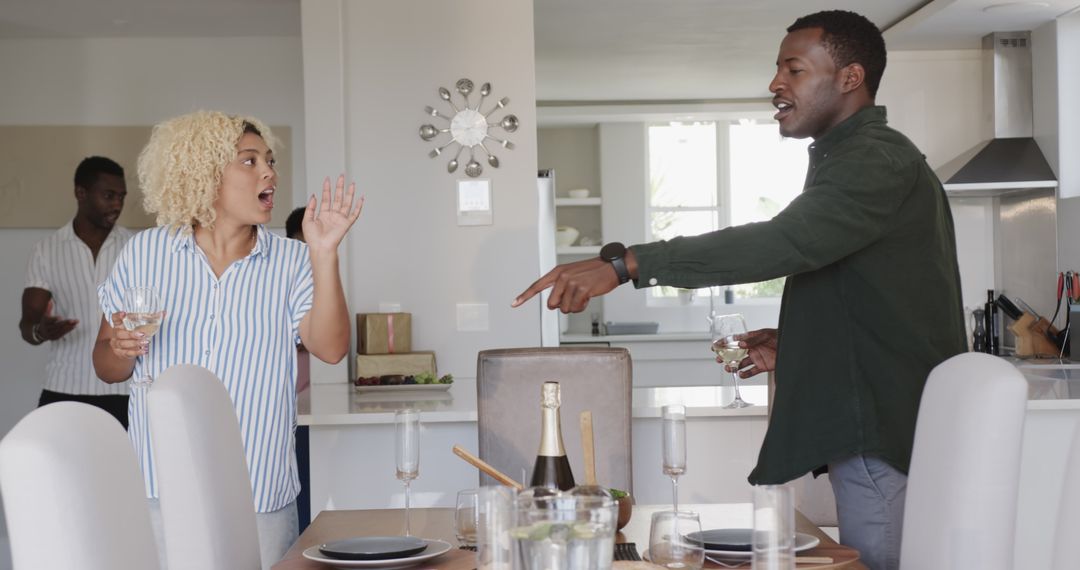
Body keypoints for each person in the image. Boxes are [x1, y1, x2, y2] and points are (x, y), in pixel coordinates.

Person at [512, 10, 966, 570]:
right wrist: (797, 341)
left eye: (794, 70)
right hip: (875, 423)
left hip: (879, 430)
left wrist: (629, 263)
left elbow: (785, 242)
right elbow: (874, 296)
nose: (775, 83)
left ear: (850, 77)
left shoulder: (873, 159)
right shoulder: (856, 157)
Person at [92, 111, 360, 569]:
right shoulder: (145, 252)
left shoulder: (293, 261)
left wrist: (324, 252)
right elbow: (106, 366)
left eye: (270, 161)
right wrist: (118, 346)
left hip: (260, 493)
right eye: (249, 161)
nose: (269, 172)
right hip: (161, 490)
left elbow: (331, 349)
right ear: (205, 174)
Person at [20, 156, 133, 428]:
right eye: (109, 195)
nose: (117, 205)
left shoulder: (135, 247)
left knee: (127, 458)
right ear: (81, 193)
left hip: (125, 389)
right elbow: (28, 324)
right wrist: (41, 331)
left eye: (121, 197)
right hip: (64, 387)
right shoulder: (47, 250)